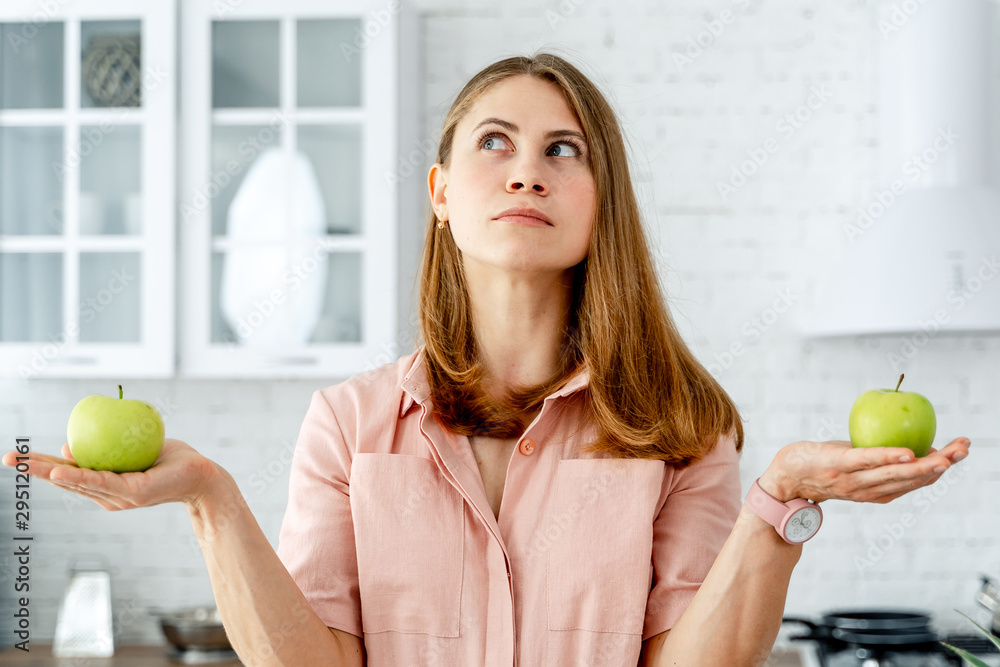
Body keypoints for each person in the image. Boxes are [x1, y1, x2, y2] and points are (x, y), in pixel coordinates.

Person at [4, 52, 970, 666]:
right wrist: (210, 497)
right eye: (495, 142)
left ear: (601, 203)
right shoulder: (347, 424)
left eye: (564, 151)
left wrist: (780, 503)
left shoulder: (681, 428)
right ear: (440, 190)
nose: (525, 170)